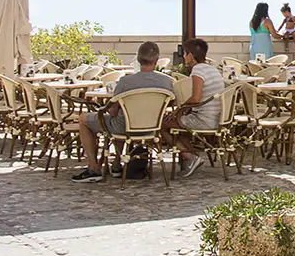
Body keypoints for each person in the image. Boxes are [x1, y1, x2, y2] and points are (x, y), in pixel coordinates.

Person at [72, 41, 173, 183]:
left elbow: (113, 111)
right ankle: (116, 165)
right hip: (153, 129)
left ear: (138, 59)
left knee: (84, 119)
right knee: (121, 119)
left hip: (123, 127)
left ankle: (94, 167)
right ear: (156, 61)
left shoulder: (125, 81)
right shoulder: (167, 82)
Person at [161, 38, 226, 178]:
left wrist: (179, 109)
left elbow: (196, 99)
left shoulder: (198, 70)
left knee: (162, 124)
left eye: (185, 53)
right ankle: (191, 157)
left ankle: (190, 157)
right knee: (178, 123)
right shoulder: (212, 69)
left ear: (191, 55)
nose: (183, 57)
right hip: (218, 118)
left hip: (205, 120)